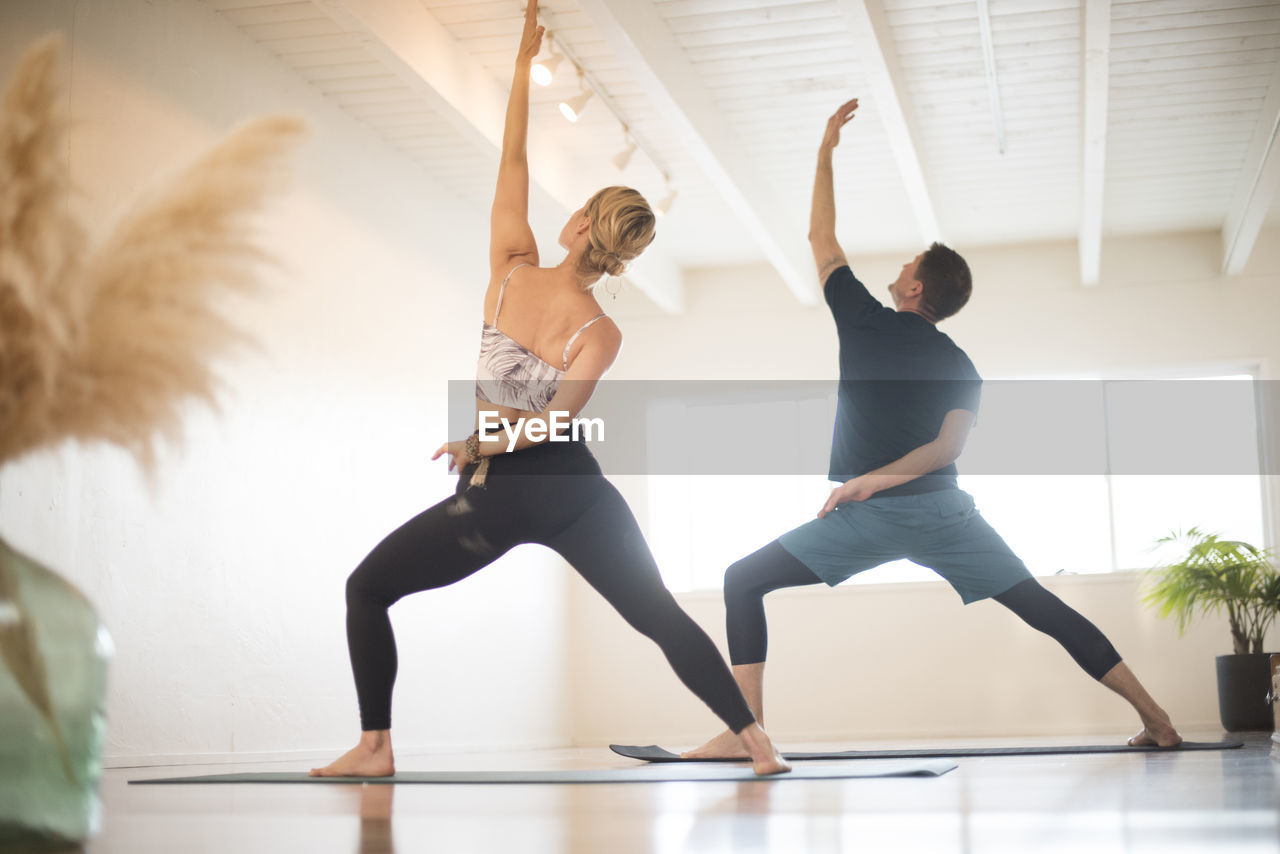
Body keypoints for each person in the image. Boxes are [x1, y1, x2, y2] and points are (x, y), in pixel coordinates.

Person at [310, 0, 789, 778]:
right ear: (619, 253)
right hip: (577, 495)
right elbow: (561, 422)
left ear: (576, 225)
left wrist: (522, 68)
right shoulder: (600, 331)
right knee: (658, 614)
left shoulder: (510, 270)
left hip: (497, 494)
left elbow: (511, 166)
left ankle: (375, 749)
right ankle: (758, 743)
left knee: (367, 588)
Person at [684, 97, 1182, 760]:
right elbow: (949, 450)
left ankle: (747, 736)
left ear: (917, 290)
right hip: (948, 515)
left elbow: (820, 239)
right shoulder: (961, 364)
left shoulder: (864, 319)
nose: (898, 270)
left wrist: (825, 151)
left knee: (743, 581)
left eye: (907, 267)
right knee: (1042, 608)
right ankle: (1159, 719)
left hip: (877, 515)